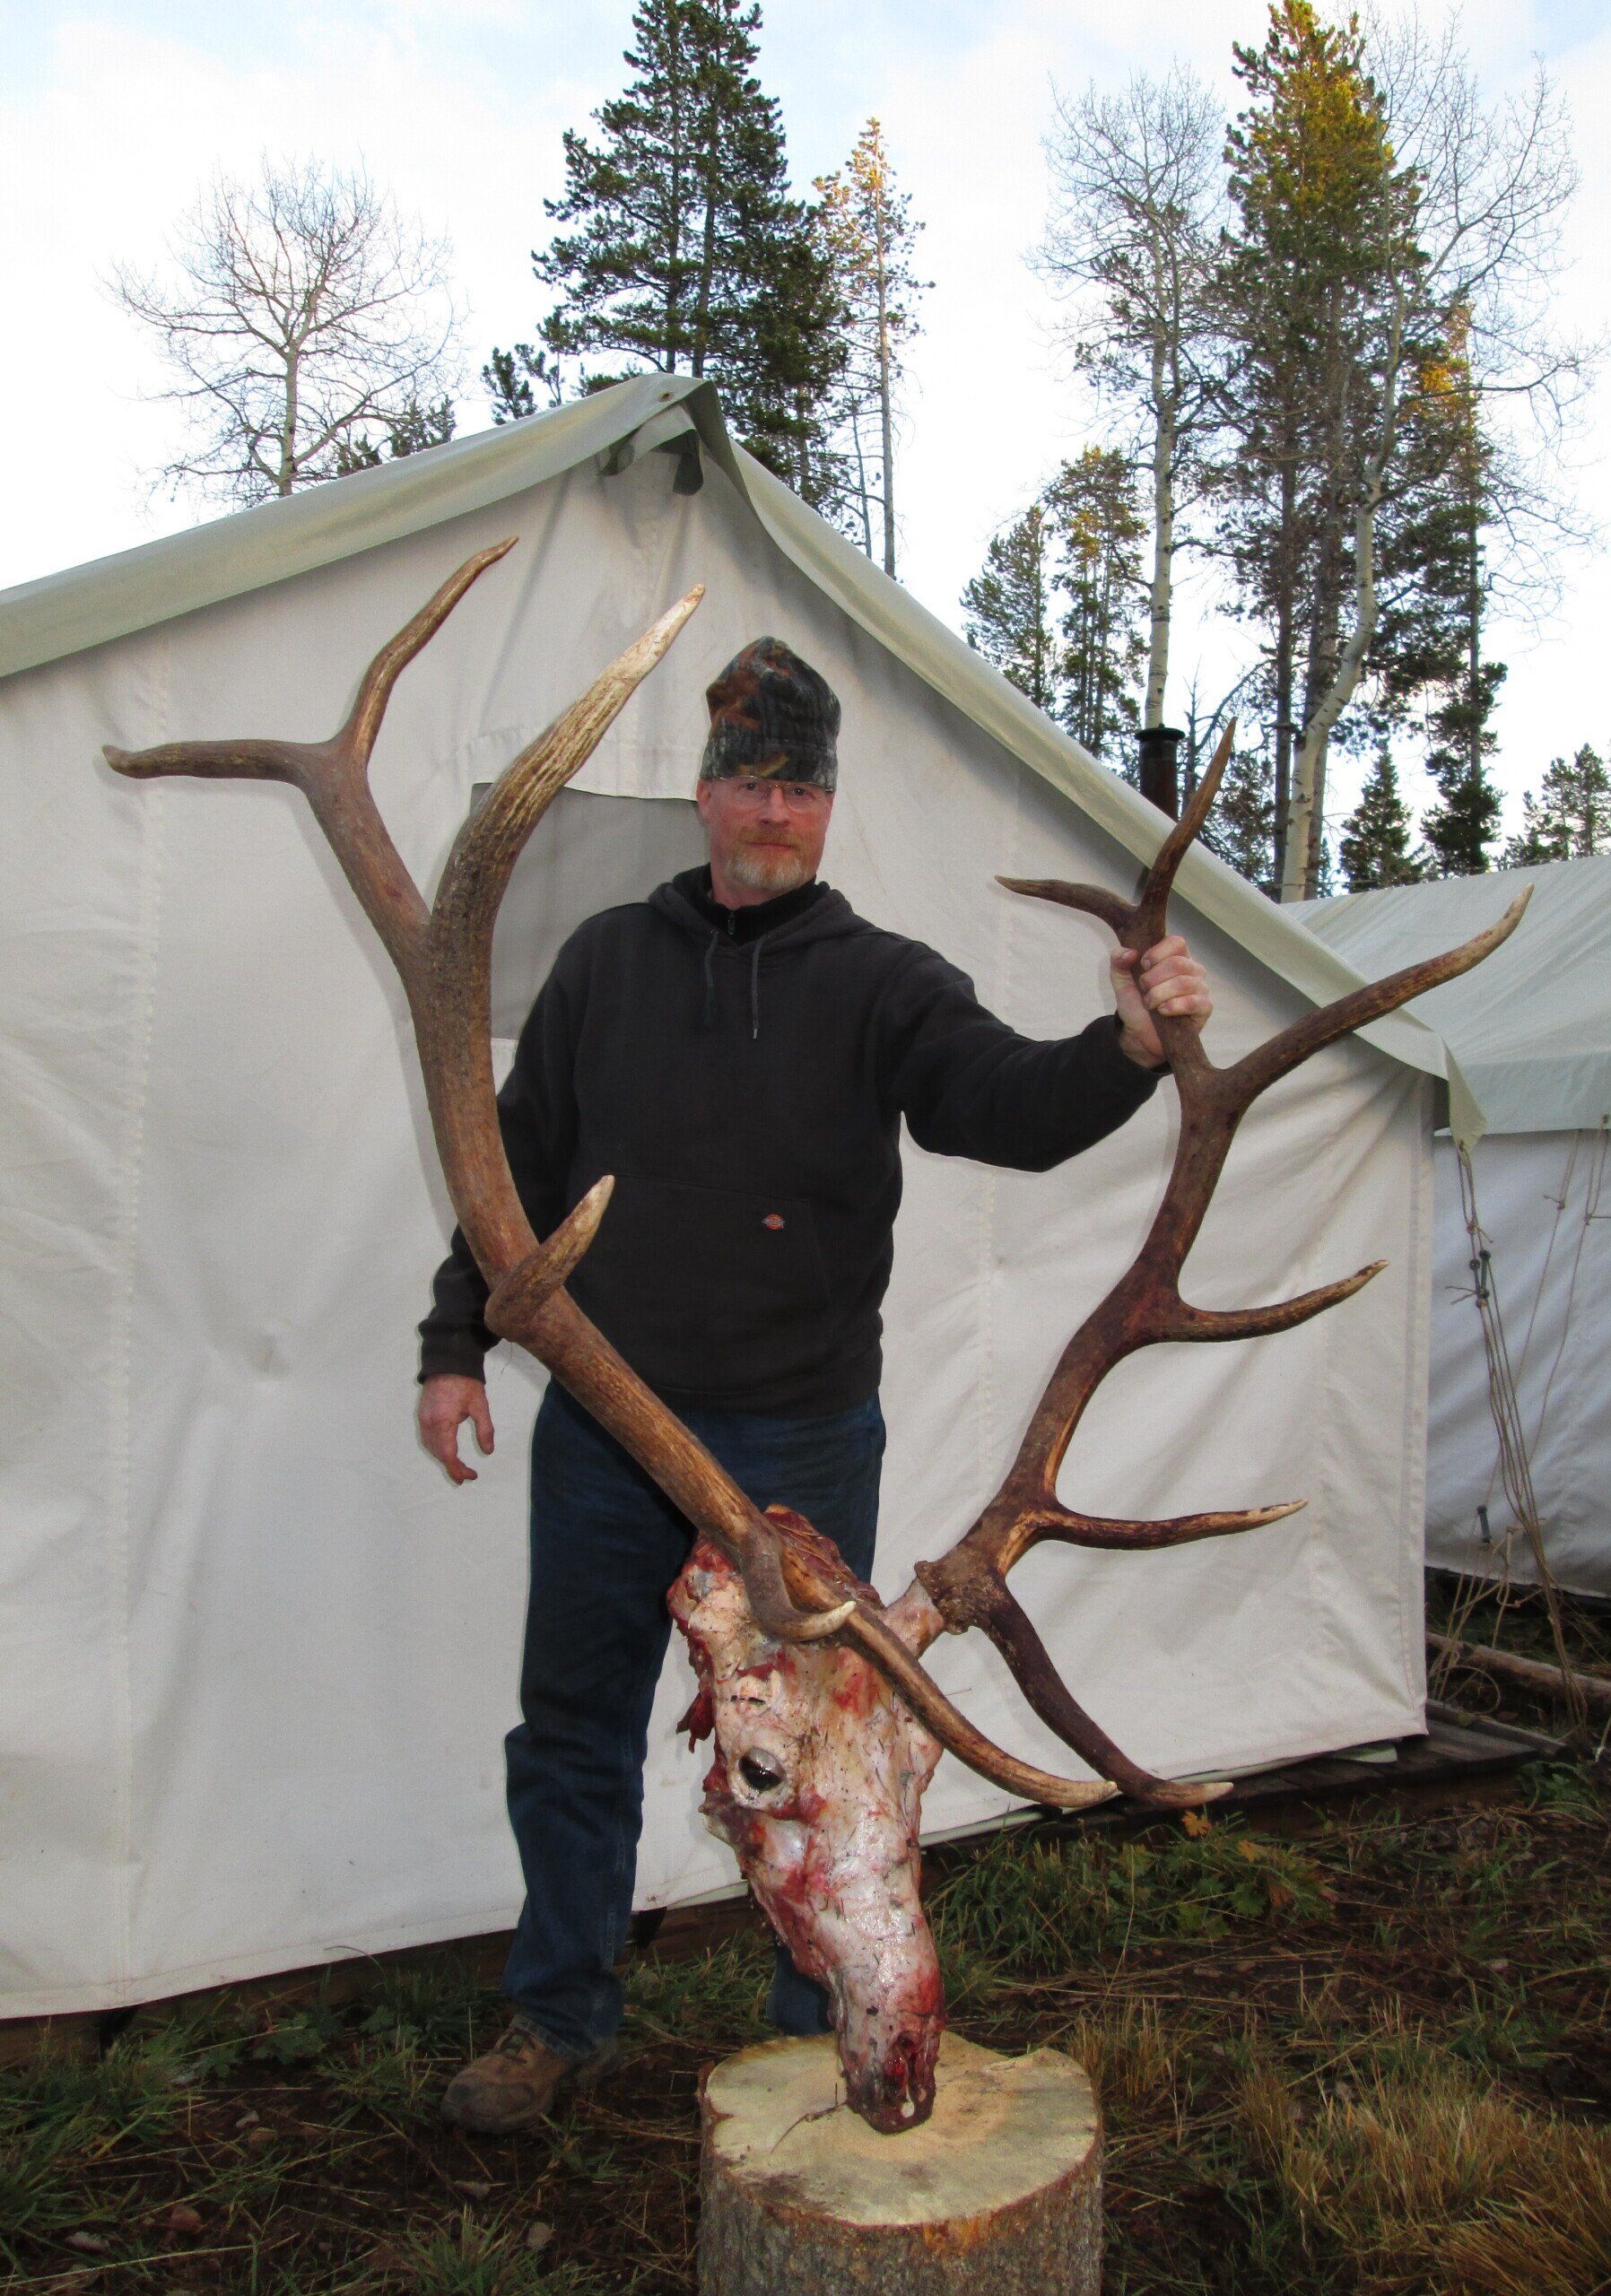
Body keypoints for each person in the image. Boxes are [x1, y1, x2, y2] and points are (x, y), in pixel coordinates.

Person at [417, 636, 1213, 2133]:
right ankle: (557, 2019)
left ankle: (812, 2026)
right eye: (749, 782)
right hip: (609, 1432)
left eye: (801, 787)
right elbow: (505, 1176)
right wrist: (455, 1342)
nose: (774, 813)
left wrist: (1125, 1045)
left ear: (827, 807)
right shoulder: (605, 962)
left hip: (800, 1436)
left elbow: (1009, 1108)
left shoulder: (884, 985)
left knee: (822, 1756)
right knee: (575, 1727)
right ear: (703, 793)